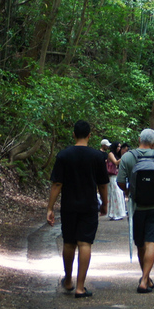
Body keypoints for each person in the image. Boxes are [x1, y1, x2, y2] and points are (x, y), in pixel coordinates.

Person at [47, 120, 109, 298]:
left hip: (69, 205)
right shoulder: (97, 157)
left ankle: (68, 280)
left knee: (69, 242)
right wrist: (104, 204)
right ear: (90, 136)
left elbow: (57, 183)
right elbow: (103, 185)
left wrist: (50, 208)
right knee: (85, 243)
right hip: (89, 205)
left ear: (73, 134)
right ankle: (81, 287)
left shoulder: (64, 155)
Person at [117, 128, 154, 294]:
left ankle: (144, 277)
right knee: (151, 242)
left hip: (137, 207)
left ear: (139, 139)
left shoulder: (128, 157)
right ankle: (145, 279)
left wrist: (130, 192)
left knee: (140, 244)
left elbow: (120, 181)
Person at [106, 141, 127, 221]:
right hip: (112, 177)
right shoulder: (111, 154)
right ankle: (114, 213)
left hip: (117, 176)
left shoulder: (118, 155)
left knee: (119, 194)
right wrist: (124, 157)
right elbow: (116, 163)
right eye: (118, 146)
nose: (119, 148)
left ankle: (119, 212)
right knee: (115, 194)